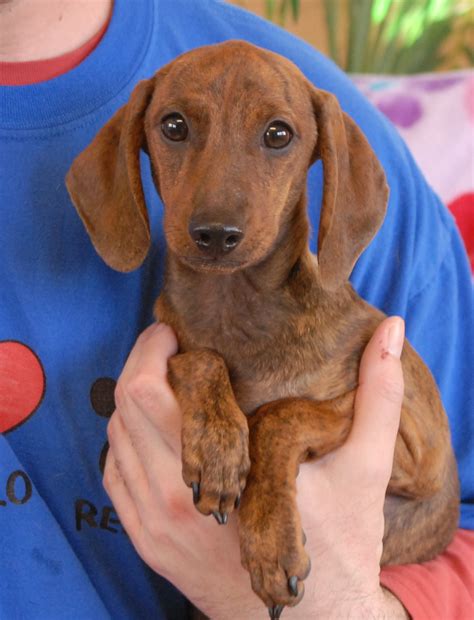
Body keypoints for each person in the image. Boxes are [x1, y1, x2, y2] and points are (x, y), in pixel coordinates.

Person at [0, 1, 472, 618]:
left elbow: (455, 508)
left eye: (276, 137)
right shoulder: (184, 338)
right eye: (176, 130)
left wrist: (335, 607)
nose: (216, 212)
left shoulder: (339, 126)